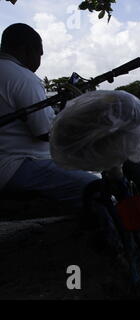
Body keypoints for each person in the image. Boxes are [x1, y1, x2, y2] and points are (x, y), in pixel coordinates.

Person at [0, 23, 100, 209]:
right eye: (40, 54)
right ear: (27, 50)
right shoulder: (23, 77)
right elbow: (45, 132)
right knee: (95, 189)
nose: (39, 60)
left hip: (10, 164)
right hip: (15, 166)